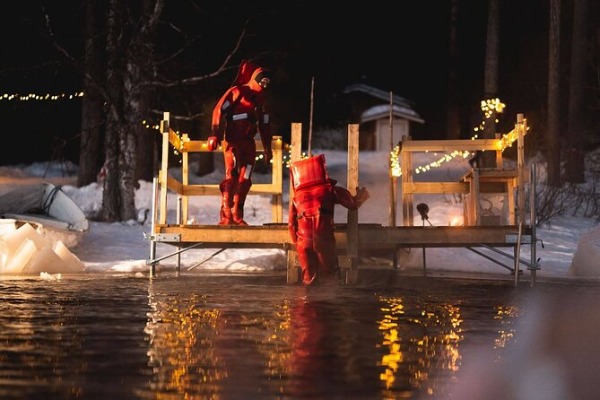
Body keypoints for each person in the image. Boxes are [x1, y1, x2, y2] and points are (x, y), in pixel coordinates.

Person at [207, 60, 273, 225]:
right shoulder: (237, 92)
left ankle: (237, 213)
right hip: (233, 141)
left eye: (267, 83)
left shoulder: (262, 102)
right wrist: (214, 133)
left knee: (246, 177)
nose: (264, 85)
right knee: (232, 175)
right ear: (255, 79)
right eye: (262, 81)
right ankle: (226, 213)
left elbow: (265, 125)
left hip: (248, 144)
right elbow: (218, 109)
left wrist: (267, 148)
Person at [288, 154, 370, 285]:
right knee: (329, 278)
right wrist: (362, 196)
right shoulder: (330, 190)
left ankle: (305, 303)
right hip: (324, 240)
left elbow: (291, 225)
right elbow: (352, 205)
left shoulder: (296, 197)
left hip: (304, 243)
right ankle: (329, 303)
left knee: (308, 280)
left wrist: (297, 244)